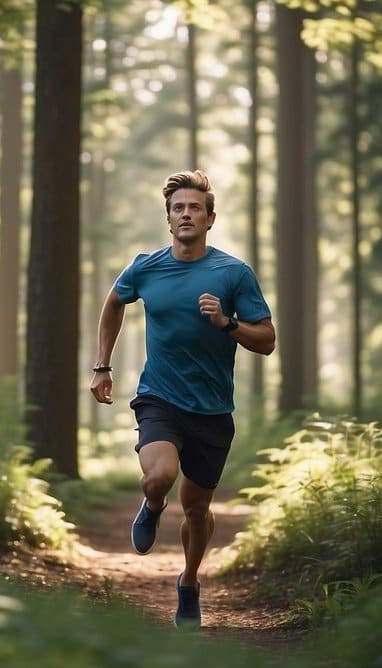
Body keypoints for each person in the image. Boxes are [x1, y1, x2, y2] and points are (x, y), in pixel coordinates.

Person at [88, 170, 275, 627]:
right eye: (178, 208)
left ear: (210, 219)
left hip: (212, 410)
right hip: (160, 397)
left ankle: (189, 582)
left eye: (195, 208)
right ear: (169, 219)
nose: (185, 214)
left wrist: (227, 324)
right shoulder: (146, 267)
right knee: (159, 477)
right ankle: (152, 506)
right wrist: (102, 366)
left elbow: (267, 340)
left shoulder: (233, 273)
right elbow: (114, 302)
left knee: (197, 509)